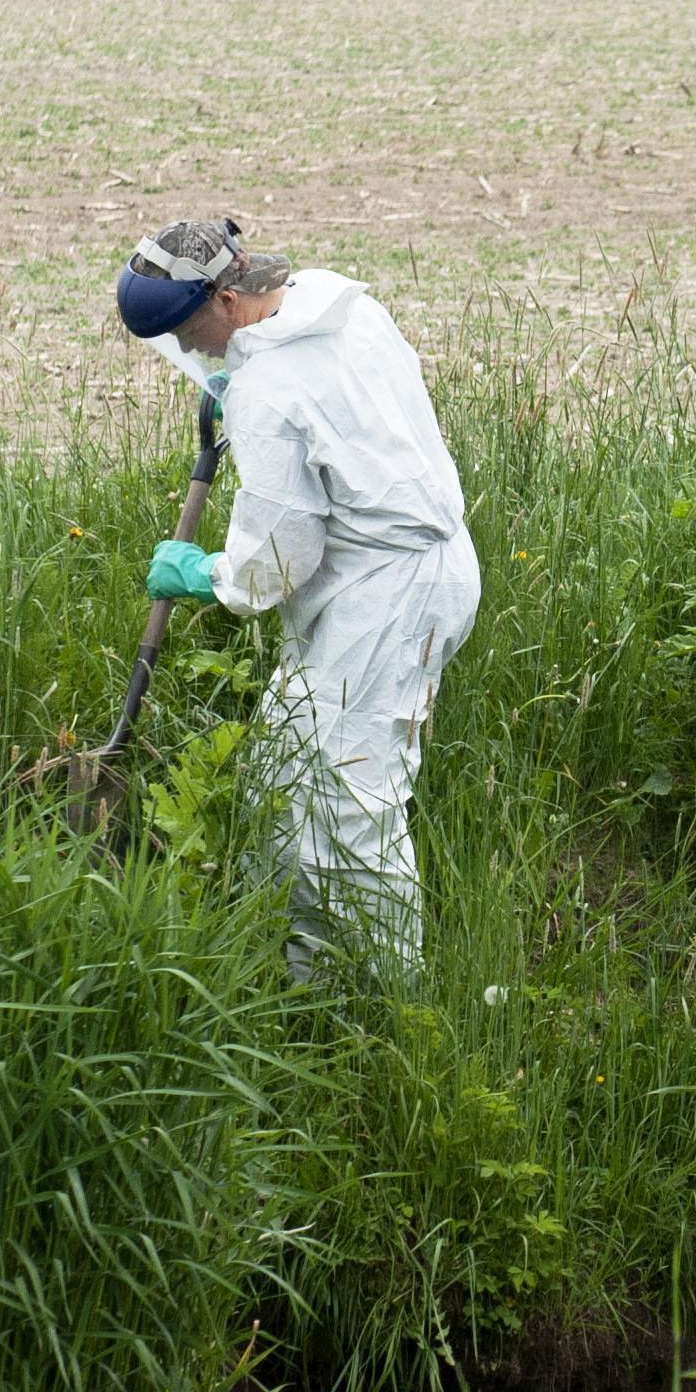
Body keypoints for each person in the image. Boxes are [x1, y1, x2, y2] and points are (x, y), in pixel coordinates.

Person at [115, 216, 483, 972]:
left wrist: (205, 573)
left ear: (224, 297)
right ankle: (296, 974)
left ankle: (392, 1006)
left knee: (350, 805)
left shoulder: (269, 389)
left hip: (391, 594)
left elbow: (279, 554)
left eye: (190, 334)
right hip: (378, 571)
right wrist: (238, 385)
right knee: (281, 780)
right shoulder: (333, 304)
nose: (189, 352)